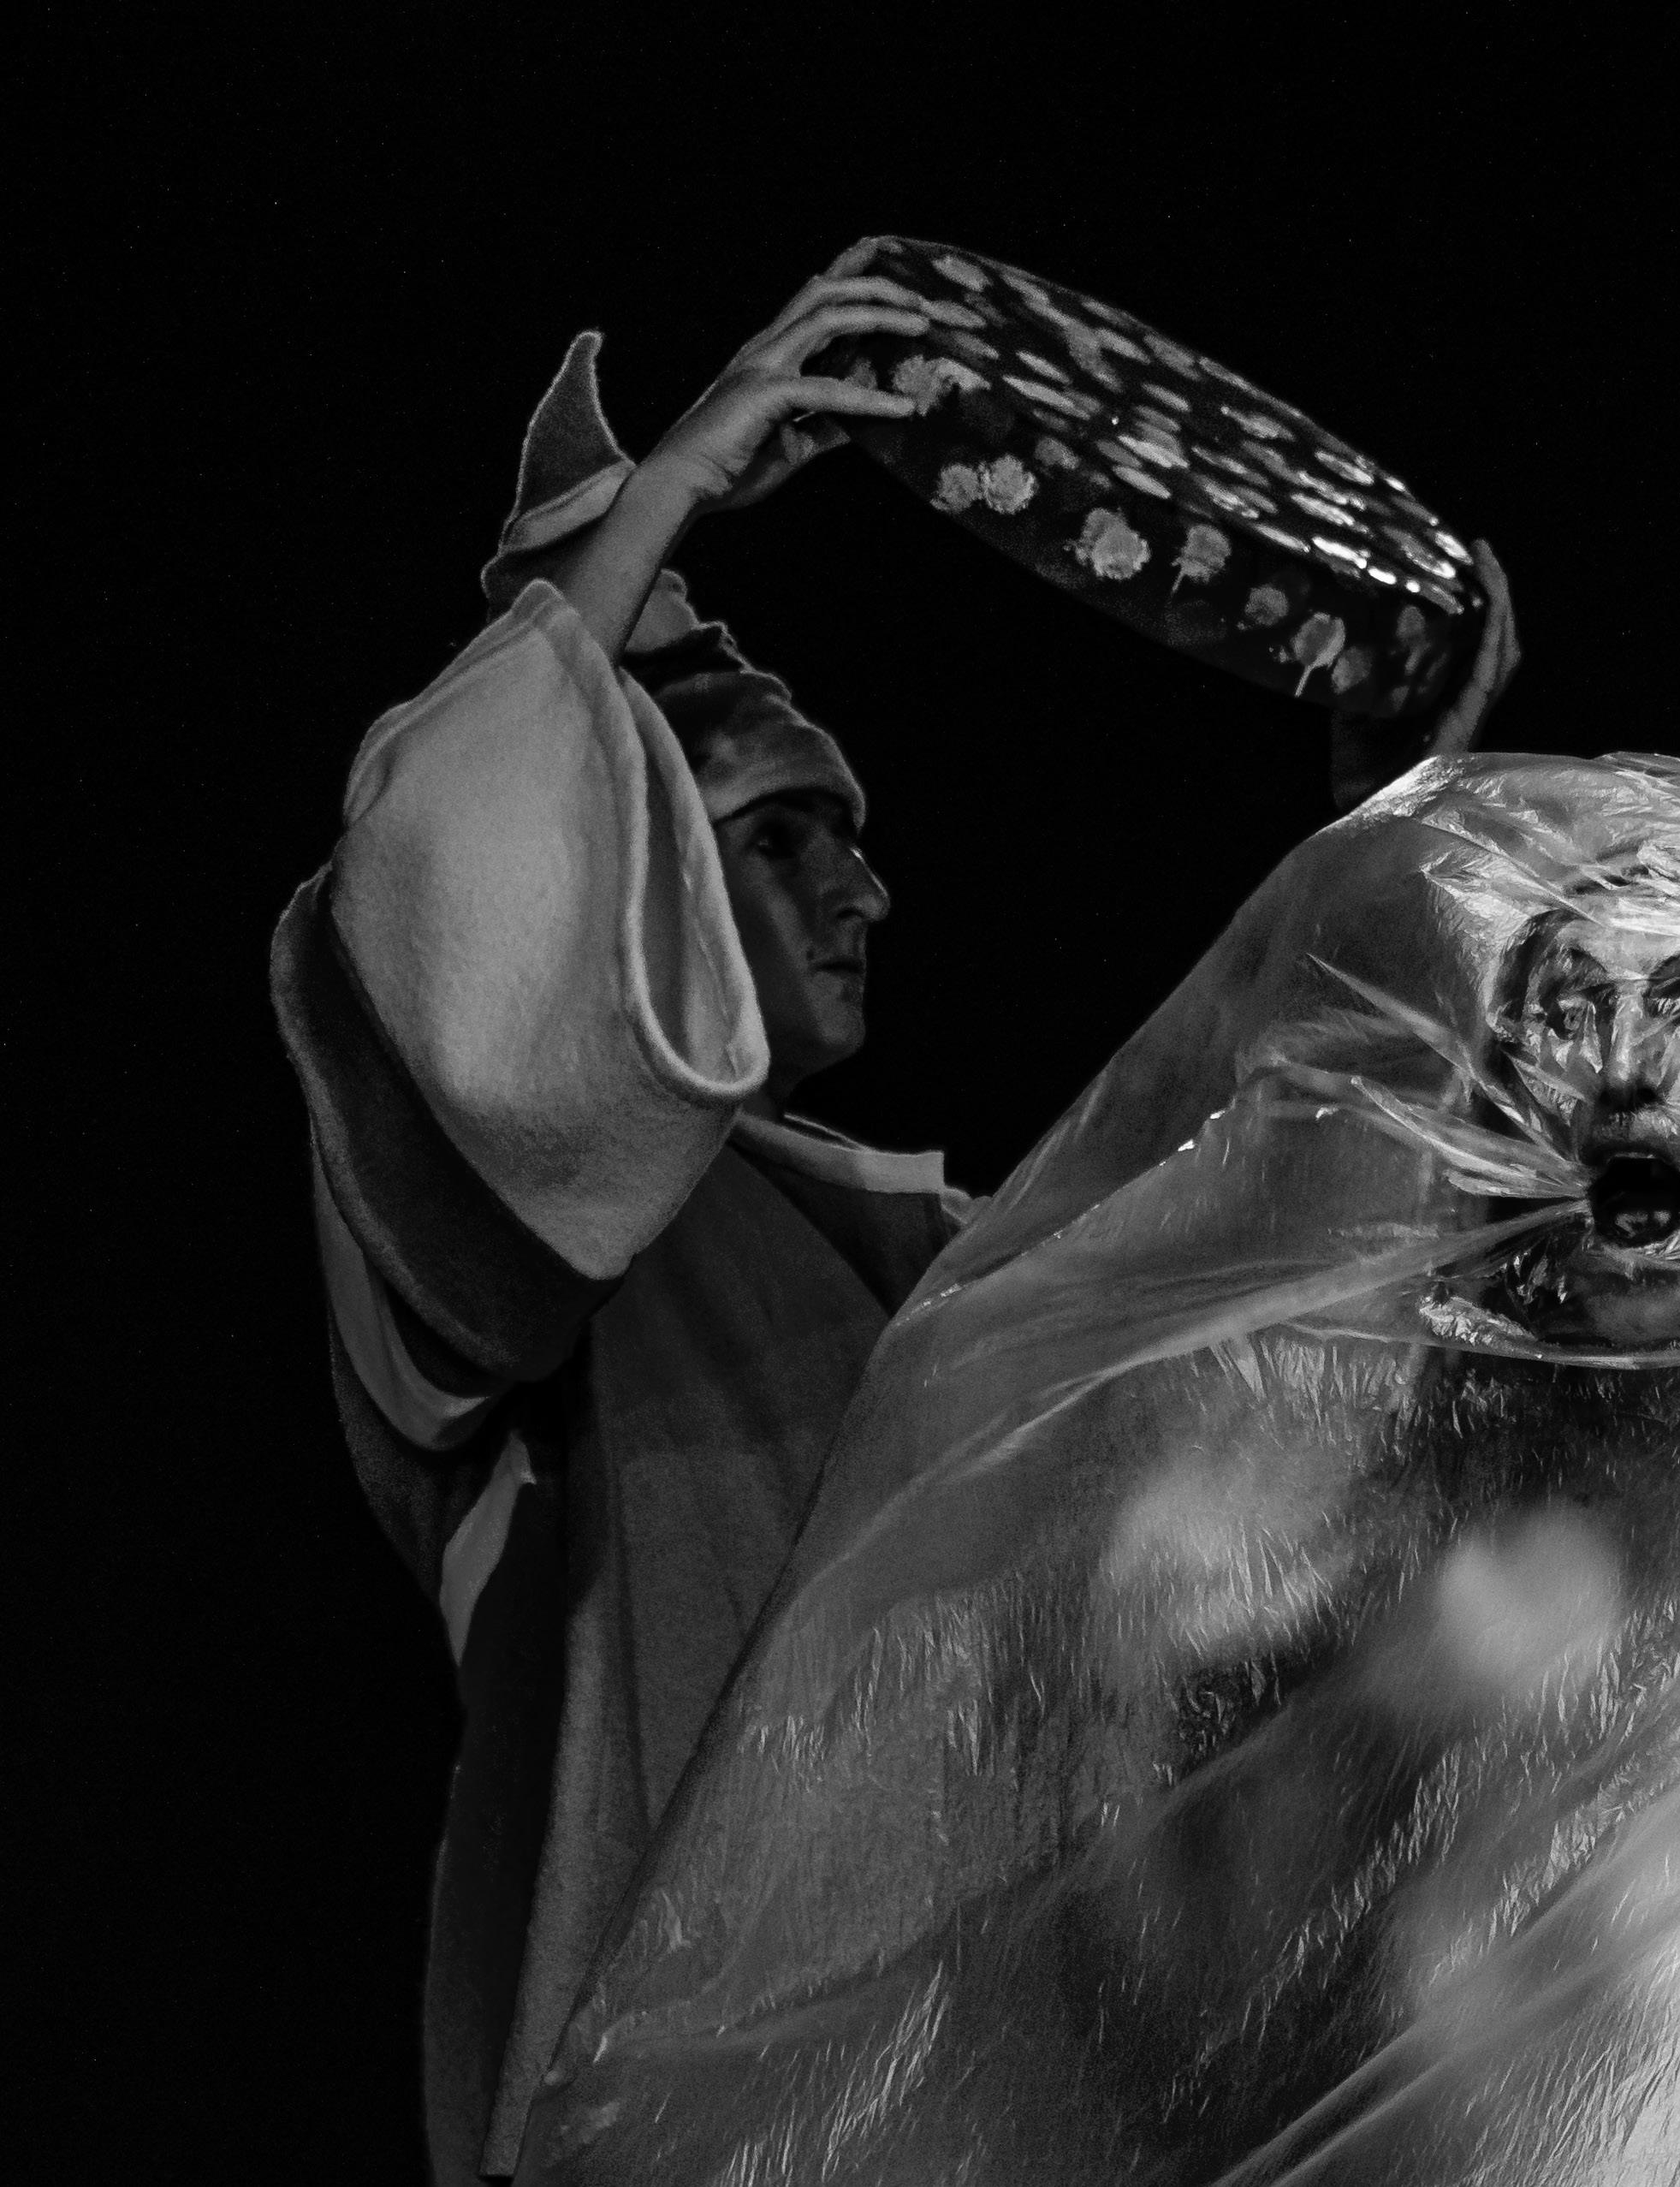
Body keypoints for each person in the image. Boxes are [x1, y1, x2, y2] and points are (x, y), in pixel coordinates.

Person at [268, 269, 1519, 2185]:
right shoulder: (476, 1258)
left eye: (846, 833)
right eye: (779, 833)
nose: (863, 888)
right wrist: (659, 504)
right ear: (625, 866)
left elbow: (1294, 1270)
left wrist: (1391, 829)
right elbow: (453, 954)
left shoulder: (924, 1256)